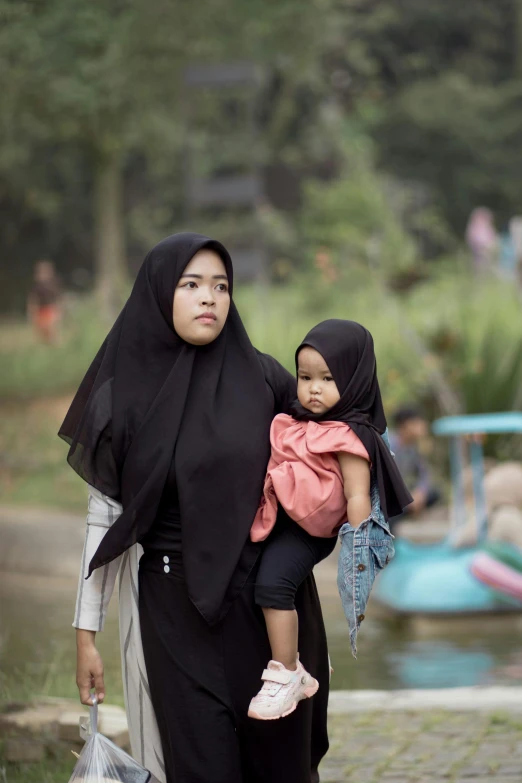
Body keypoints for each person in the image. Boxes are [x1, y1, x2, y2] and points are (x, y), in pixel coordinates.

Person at [59, 233, 330, 783]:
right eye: (191, 285)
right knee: (200, 767)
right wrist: (87, 634)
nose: (210, 297)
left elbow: (321, 463)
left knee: (278, 766)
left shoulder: (265, 379)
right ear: (160, 293)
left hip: (264, 607)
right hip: (173, 612)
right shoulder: (123, 394)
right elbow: (105, 518)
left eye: (221, 286)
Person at [248, 320, 412, 720]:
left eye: (327, 378)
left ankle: (288, 673)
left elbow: (357, 494)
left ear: (354, 381)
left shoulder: (350, 437)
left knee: (273, 585)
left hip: (310, 530)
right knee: (256, 578)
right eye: (305, 377)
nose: (313, 388)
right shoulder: (301, 422)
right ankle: (312, 656)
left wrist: (357, 546)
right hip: (282, 517)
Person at [389, 406, 441, 524]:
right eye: (418, 422)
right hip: (389, 496)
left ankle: (406, 511)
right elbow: (388, 480)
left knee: (434, 494)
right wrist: (408, 497)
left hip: (403, 495)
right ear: (406, 425)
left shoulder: (413, 447)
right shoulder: (390, 445)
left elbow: (424, 474)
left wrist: (420, 492)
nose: (423, 425)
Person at [27, 259, 63, 343]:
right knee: (41, 330)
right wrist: (31, 311)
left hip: (50, 309)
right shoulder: (36, 287)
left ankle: (54, 343)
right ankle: (46, 344)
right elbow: (33, 299)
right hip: (40, 310)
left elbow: (58, 299)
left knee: (51, 329)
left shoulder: (52, 286)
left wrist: (58, 311)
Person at [465, 207, 497, 274]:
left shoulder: (488, 227)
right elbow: (472, 239)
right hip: (479, 250)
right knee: (479, 266)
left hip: (488, 250)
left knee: (488, 266)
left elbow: (493, 238)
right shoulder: (474, 227)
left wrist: (492, 246)